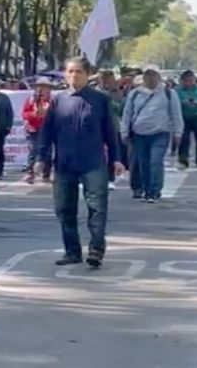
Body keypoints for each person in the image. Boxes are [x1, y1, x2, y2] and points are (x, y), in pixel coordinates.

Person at [36, 57, 123, 268]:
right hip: (65, 164)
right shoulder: (58, 100)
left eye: (78, 72)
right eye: (70, 71)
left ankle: (96, 249)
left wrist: (117, 159)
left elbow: (110, 133)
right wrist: (40, 158)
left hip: (93, 163)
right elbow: (47, 132)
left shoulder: (99, 99)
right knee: (64, 209)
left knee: (97, 207)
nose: (74, 76)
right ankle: (72, 251)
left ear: (87, 74)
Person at [120, 65, 183, 202]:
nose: (151, 78)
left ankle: (155, 191)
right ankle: (147, 190)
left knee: (155, 161)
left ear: (159, 77)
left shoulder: (169, 93)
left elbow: (176, 114)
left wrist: (178, 133)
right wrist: (124, 131)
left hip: (160, 133)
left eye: (154, 75)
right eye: (147, 75)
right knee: (143, 163)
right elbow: (127, 114)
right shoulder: (135, 94)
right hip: (139, 134)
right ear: (143, 78)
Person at [99, 70, 127, 190]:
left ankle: (110, 177)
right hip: (97, 126)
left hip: (113, 125)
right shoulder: (94, 91)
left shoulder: (116, 92)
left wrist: (109, 101)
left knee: (112, 151)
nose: (106, 81)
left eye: (108, 78)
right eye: (103, 78)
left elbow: (121, 108)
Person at [22, 77, 53, 183]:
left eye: (44, 87)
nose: (41, 89)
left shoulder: (52, 101)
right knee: (32, 151)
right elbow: (25, 114)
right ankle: (30, 174)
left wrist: (46, 114)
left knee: (47, 152)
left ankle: (46, 174)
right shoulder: (30, 100)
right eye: (39, 86)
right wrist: (34, 114)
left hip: (47, 130)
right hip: (33, 130)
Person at [176, 70, 197, 170]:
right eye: (186, 81)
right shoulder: (178, 90)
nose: (189, 83)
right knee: (184, 140)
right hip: (184, 117)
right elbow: (175, 103)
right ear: (182, 81)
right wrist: (183, 102)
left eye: (191, 80)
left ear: (194, 80)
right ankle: (183, 161)